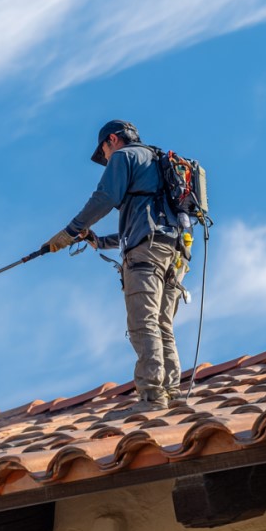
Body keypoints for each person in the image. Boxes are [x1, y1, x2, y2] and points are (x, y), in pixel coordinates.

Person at [45, 120, 189, 408]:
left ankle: (151, 397)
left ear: (112, 139)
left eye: (104, 153)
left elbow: (105, 197)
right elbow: (143, 218)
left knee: (143, 323)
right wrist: (99, 241)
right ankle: (171, 392)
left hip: (145, 253)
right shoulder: (157, 159)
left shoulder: (124, 156)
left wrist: (71, 231)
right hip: (174, 253)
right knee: (162, 324)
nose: (106, 160)